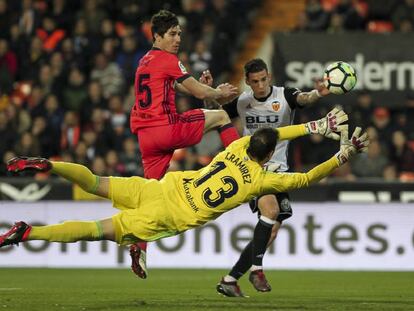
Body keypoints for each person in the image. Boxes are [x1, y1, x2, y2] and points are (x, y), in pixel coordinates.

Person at [1, 111, 368, 275]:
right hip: (166, 216)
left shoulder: (236, 147)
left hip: (158, 188)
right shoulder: (261, 182)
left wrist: (310, 127)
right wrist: (342, 154)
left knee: (96, 181)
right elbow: (305, 178)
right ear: (269, 155)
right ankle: (30, 231)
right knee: (95, 230)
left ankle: (51, 164)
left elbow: (274, 136)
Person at [128, 10, 240, 279]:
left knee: (149, 195)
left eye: (179, 33)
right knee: (222, 115)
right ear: (157, 36)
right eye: (172, 34)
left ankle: (138, 248)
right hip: (166, 129)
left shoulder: (145, 61)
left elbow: (171, 86)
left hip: (146, 138)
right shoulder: (168, 59)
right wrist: (218, 93)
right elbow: (202, 94)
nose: (178, 39)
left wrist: (196, 87)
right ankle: (244, 161)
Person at [214, 58, 332, 295]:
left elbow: (304, 99)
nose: (260, 85)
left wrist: (317, 94)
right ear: (247, 81)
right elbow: (215, 116)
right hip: (253, 169)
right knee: (270, 212)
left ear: (269, 76)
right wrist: (209, 96)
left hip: (280, 170)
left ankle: (230, 279)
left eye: (263, 79)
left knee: (271, 232)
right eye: (254, 81)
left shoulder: (284, 95)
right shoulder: (242, 102)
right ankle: (256, 270)